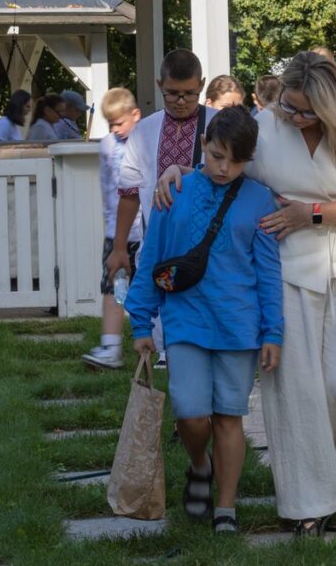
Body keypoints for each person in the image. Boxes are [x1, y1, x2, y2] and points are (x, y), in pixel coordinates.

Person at [157, 51, 336, 536]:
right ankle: (310, 500)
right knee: (297, 392)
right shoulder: (266, 126)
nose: (293, 117)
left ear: (330, 106)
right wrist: (177, 173)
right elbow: (223, 164)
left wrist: (311, 212)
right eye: (288, 106)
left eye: (305, 111)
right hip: (288, 268)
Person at [126, 107, 282, 534]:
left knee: (229, 417)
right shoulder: (172, 191)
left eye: (234, 160)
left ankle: (226, 509)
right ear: (203, 146)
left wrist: (273, 331)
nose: (223, 167)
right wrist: (141, 323)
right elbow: (151, 260)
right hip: (186, 322)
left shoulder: (259, 199)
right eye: (215, 156)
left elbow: (269, 273)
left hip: (239, 326)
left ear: (249, 159)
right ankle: (199, 465)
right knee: (191, 413)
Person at [105, 49, 214, 369]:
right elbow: (128, 194)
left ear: (202, 85)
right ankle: (168, 355)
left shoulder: (218, 124)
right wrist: (120, 246)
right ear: (159, 85)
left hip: (207, 240)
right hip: (159, 240)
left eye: (190, 94)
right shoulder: (144, 130)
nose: (181, 101)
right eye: (172, 94)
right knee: (162, 300)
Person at [82, 88, 144, 370]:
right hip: (117, 234)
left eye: (120, 123)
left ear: (135, 115)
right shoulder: (107, 146)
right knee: (114, 289)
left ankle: (164, 347)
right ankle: (111, 346)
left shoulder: (145, 143)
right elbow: (109, 190)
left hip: (145, 234)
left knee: (154, 290)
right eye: (111, 125)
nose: (116, 130)